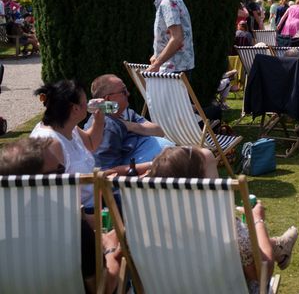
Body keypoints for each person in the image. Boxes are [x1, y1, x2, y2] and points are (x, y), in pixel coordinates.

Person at [149, 146, 298, 291]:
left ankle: (280, 246)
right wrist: (257, 221)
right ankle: (279, 246)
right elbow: (262, 272)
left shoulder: (144, 226)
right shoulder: (225, 226)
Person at [0, 138, 123, 294]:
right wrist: (112, 252)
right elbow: (102, 289)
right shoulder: (72, 231)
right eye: (59, 171)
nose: (64, 174)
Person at [30, 79, 106, 209]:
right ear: (75, 108)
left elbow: (92, 143)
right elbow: (53, 196)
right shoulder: (50, 143)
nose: (88, 105)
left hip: (97, 204)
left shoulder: (69, 127)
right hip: (81, 214)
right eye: (85, 102)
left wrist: (99, 119)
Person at [86, 74, 174, 174]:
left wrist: (126, 125)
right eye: (123, 91)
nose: (128, 93)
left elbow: (158, 131)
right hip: (145, 171)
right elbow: (104, 172)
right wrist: (153, 164)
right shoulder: (107, 127)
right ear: (108, 99)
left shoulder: (126, 113)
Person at [138, 0, 194, 74]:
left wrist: (157, 64)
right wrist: (157, 55)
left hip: (174, 69)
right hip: (178, 66)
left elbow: (177, 37)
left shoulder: (167, 3)